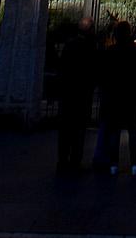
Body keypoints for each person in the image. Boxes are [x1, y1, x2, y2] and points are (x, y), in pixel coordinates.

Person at [98, 21, 136, 175]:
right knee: (133, 130)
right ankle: (135, 164)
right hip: (132, 95)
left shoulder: (110, 51)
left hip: (115, 96)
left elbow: (104, 74)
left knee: (114, 131)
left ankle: (113, 164)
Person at [55, 16, 98, 173]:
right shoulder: (91, 46)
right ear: (90, 30)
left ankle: (62, 160)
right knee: (79, 129)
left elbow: (61, 66)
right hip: (82, 93)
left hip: (68, 92)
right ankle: (75, 160)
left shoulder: (69, 45)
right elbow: (94, 68)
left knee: (65, 128)